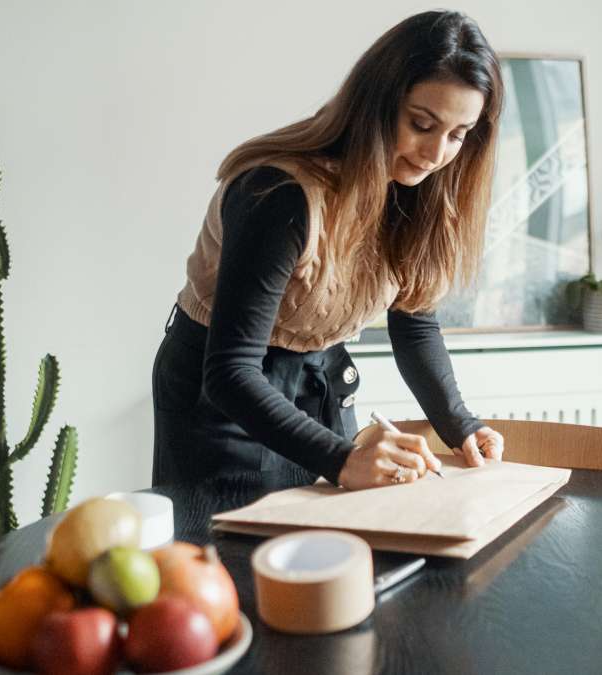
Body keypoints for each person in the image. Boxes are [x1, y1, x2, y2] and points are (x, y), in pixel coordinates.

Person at [152, 10, 506, 491]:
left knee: (332, 545)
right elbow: (231, 370)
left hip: (321, 381)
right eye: (422, 124)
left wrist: (459, 424)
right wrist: (343, 459)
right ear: (377, 103)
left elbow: (415, 324)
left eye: (458, 135)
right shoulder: (280, 194)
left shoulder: (418, 191)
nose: (436, 153)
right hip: (223, 400)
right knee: (232, 556)